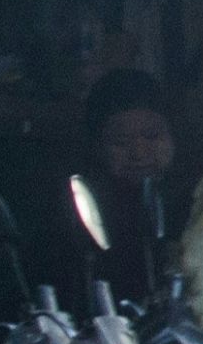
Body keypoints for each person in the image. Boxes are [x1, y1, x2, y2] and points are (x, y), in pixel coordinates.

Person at [53, 68, 177, 299]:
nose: (139, 154)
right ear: (97, 146)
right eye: (121, 142)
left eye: (152, 136)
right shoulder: (84, 213)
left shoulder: (192, 200)